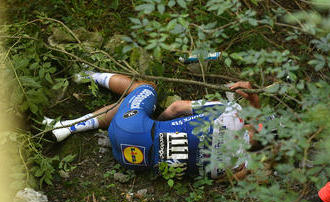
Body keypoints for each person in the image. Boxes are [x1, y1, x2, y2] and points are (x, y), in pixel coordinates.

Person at [43, 71, 261, 178]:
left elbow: (176, 108)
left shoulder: (231, 113)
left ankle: (87, 77)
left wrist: (252, 97)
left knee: (145, 89)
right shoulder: (239, 166)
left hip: (133, 130)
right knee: (129, 111)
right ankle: (68, 126)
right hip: (131, 161)